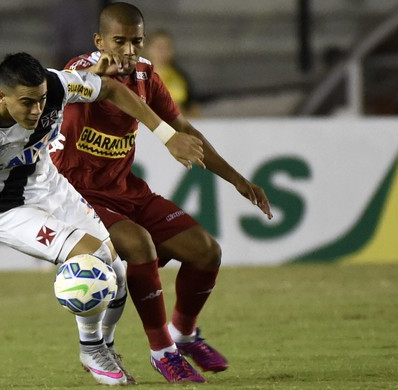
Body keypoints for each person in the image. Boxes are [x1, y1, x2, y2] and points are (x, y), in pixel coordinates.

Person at [0, 52, 204, 386]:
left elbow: (109, 89)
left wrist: (167, 135)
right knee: (92, 257)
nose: (37, 111)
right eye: (26, 103)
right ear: (2, 97)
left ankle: (105, 346)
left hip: (50, 187)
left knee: (117, 272)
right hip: (5, 210)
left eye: (40, 101)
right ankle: (91, 347)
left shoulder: (55, 86)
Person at [51, 2, 273, 384]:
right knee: (139, 245)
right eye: (118, 41)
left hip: (126, 189)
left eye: (135, 41)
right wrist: (165, 137)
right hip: (80, 195)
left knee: (206, 251)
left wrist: (238, 179)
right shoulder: (79, 74)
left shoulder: (145, 74)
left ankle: (183, 335)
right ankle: (162, 353)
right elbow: (102, 95)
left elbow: (185, 128)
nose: (127, 50)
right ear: (98, 40)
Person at [143, 29, 200, 117]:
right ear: (148, 49)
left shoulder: (180, 77)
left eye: (167, 47)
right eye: (158, 47)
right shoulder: (138, 76)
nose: (162, 52)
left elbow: (192, 107)